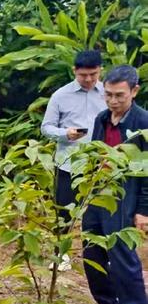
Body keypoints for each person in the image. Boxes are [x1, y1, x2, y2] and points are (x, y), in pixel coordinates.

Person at [82, 64, 148, 304]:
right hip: (99, 194)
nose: (113, 101)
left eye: (119, 95)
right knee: (91, 249)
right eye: (108, 94)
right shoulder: (101, 119)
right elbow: (96, 155)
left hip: (126, 198)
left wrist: (144, 210)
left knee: (122, 257)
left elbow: (146, 171)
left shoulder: (143, 123)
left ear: (134, 91)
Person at [41, 50, 106, 252]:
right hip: (68, 163)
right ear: (74, 71)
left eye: (93, 74)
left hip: (100, 165)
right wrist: (65, 133)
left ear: (100, 71)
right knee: (63, 213)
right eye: (83, 75)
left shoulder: (108, 93)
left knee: (101, 211)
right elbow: (46, 127)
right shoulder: (60, 96)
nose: (88, 79)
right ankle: (61, 255)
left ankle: (100, 253)